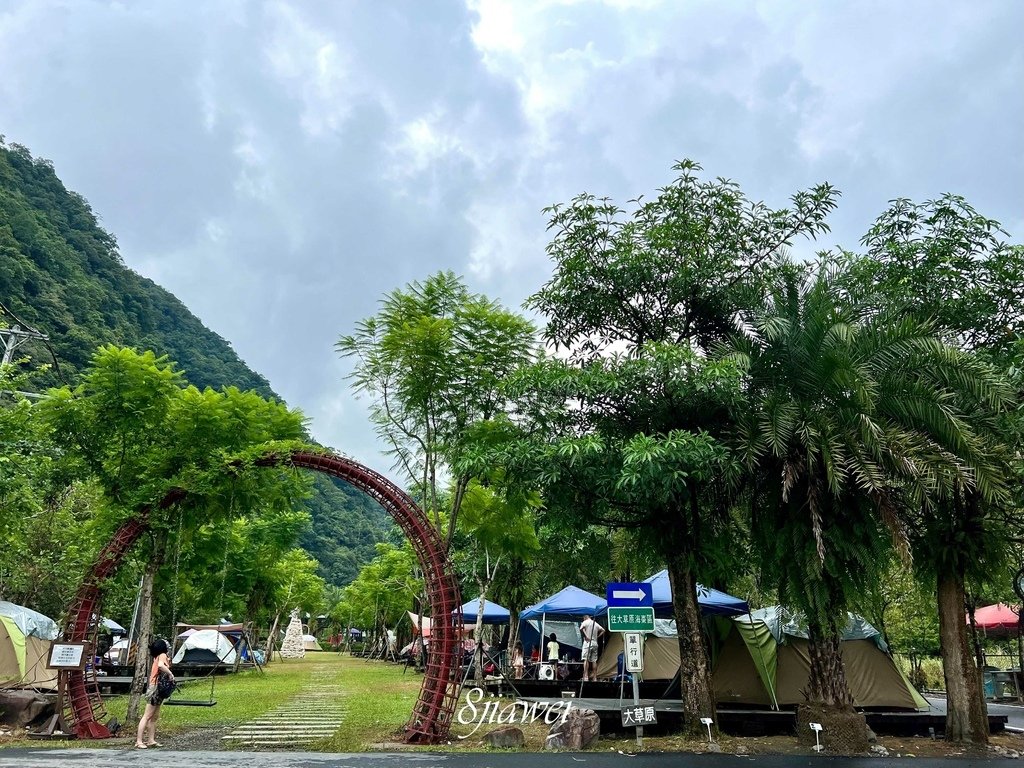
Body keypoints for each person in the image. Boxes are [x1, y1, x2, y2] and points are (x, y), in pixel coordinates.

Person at [136, 638, 175, 749]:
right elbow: (161, 666)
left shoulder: (159, 656)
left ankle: (151, 740)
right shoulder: (162, 655)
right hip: (155, 688)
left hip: (157, 688)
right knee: (147, 716)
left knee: (154, 716)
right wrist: (170, 673)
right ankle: (139, 741)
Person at [579, 614, 606, 681]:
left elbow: (581, 628)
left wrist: (586, 636)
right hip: (595, 643)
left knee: (586, 659)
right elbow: (603, 630)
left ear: (584, 618)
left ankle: (586, 677)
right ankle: (595, 677)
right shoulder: (595, 623)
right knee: (594, 661)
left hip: (587, 643)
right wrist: (597, 636)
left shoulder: (585, 622)